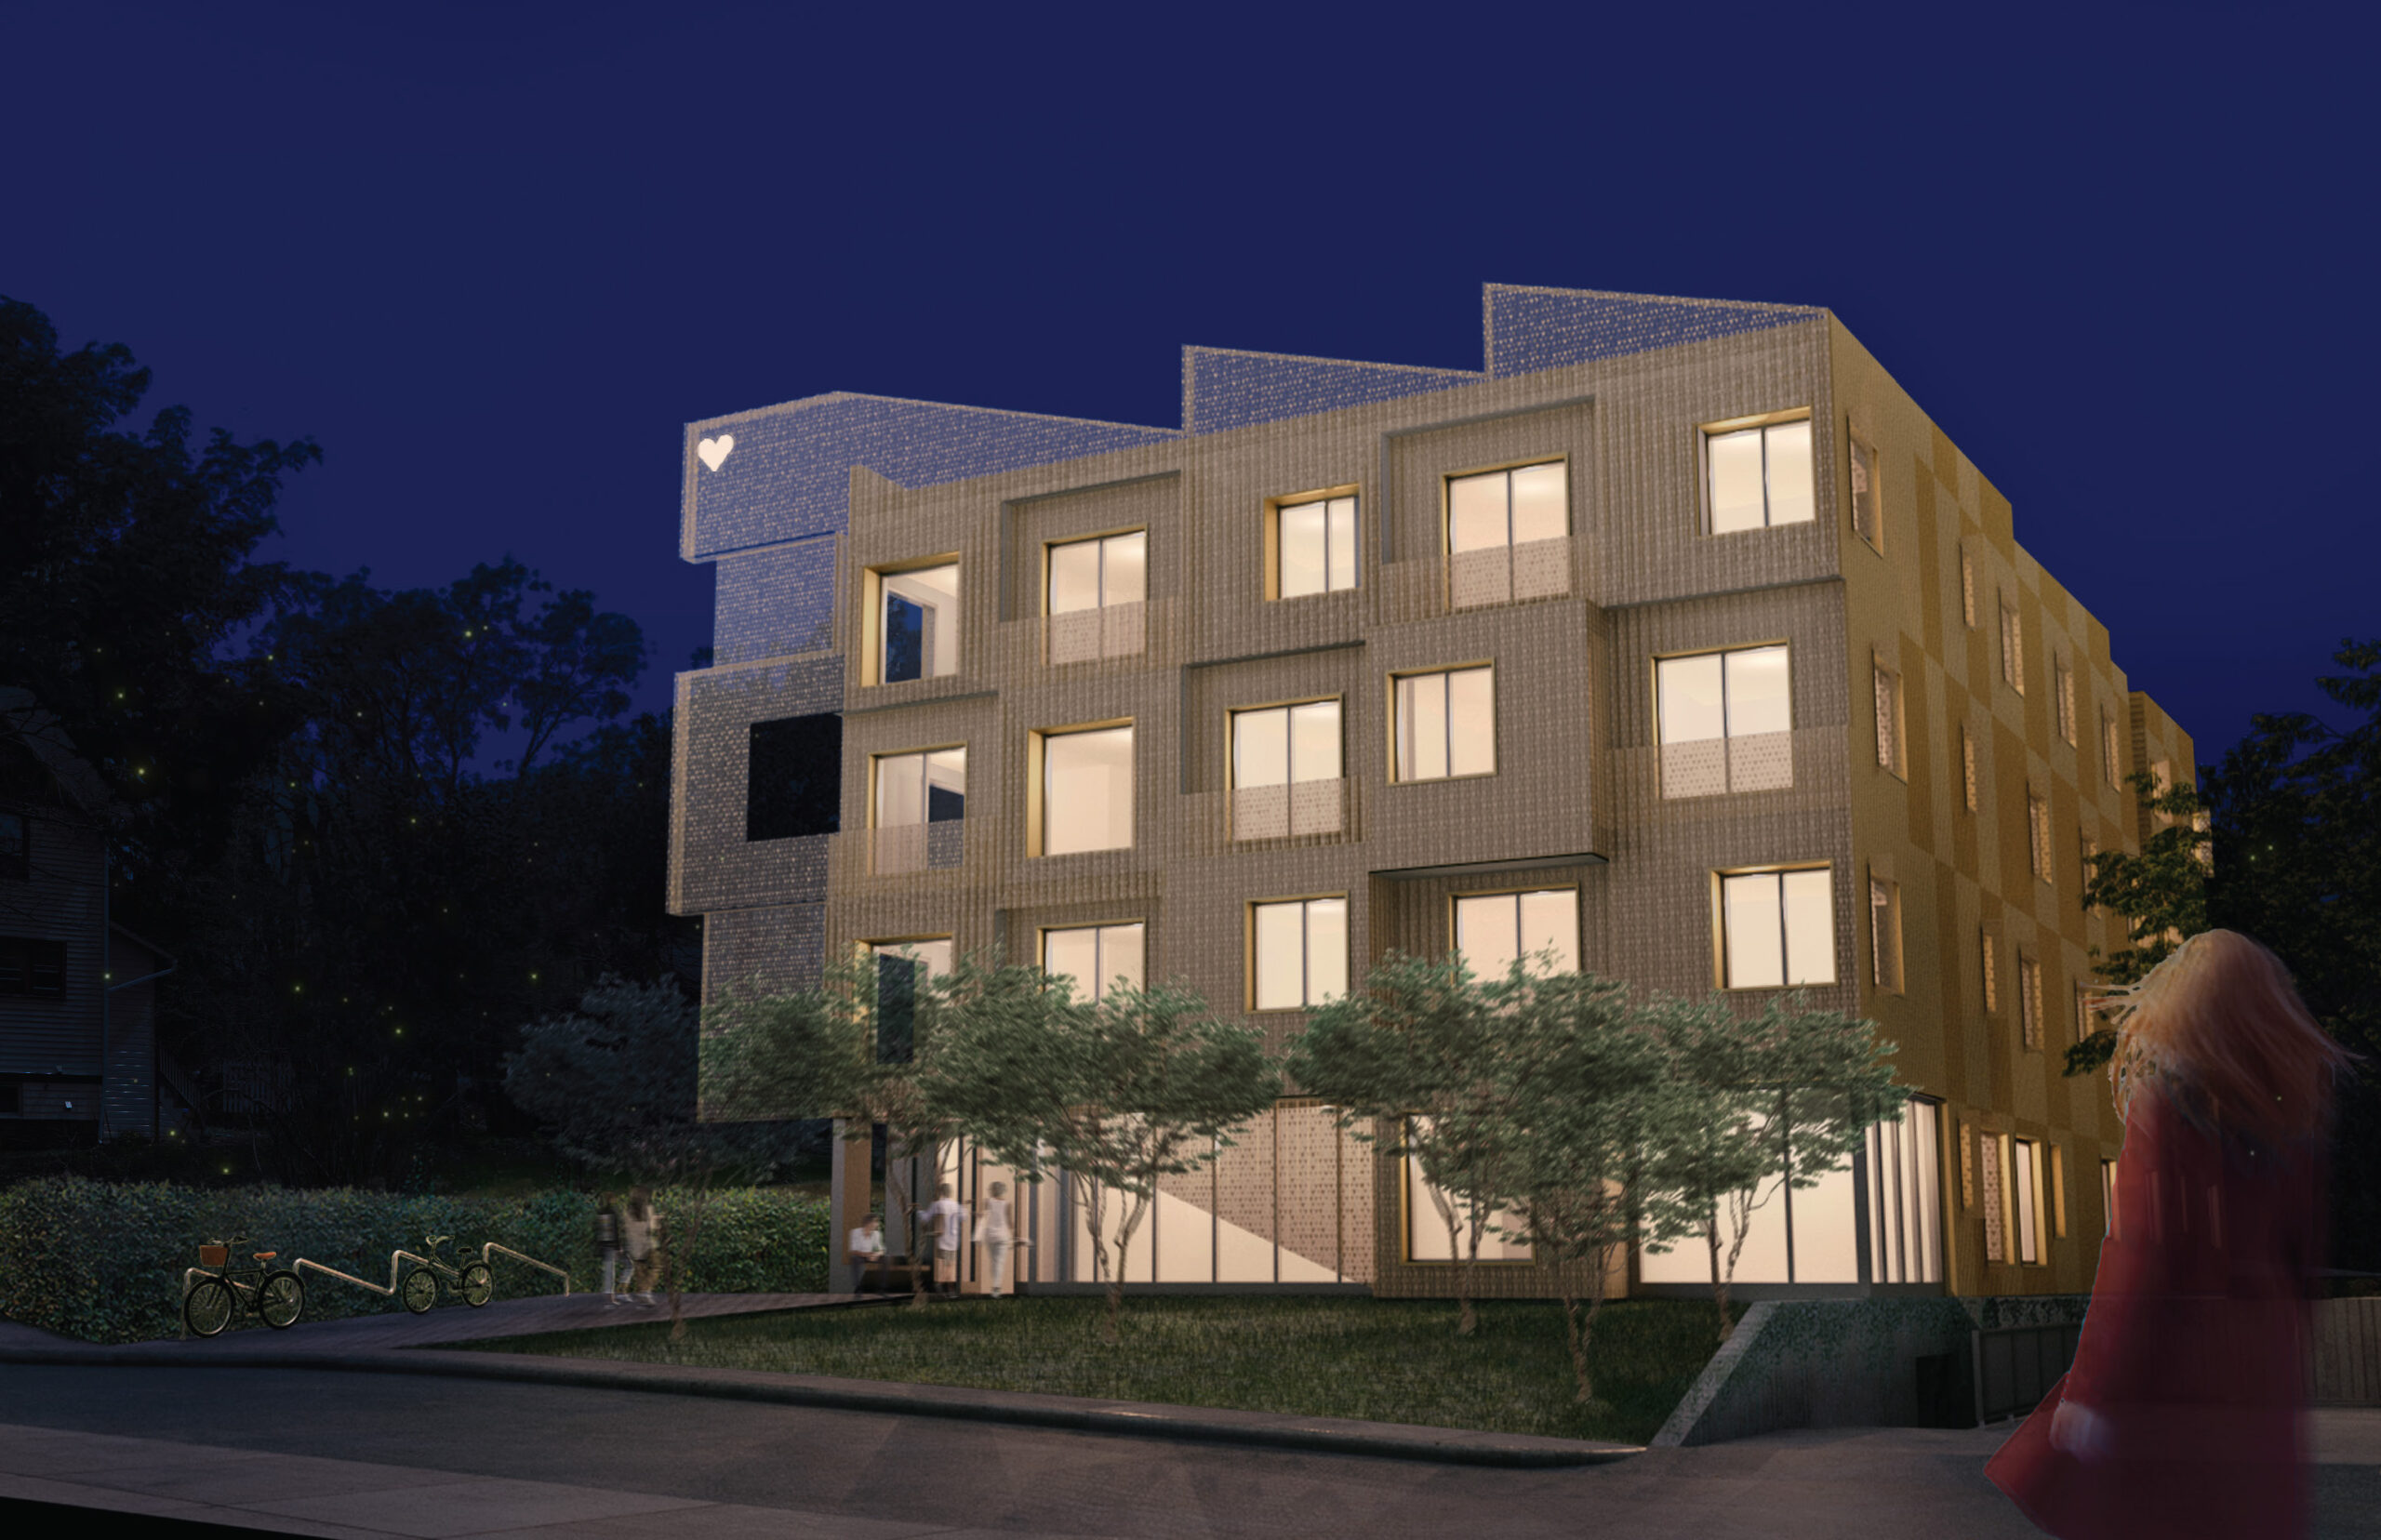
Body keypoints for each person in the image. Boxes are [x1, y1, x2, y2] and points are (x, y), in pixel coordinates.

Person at [1986, 930, 2351, 1540]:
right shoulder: (2296, 1120)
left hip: (2177, 1374)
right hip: (2260, 1378)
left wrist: (2092, 1393)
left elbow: (2137, 1255)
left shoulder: (2174, 1106)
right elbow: (2304, 1260)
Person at [922, 1182, 965, 1299]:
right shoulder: (956, 1205)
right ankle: (947, 1287)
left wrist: (917, 1211)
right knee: (949, 1265)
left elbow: (925, 1217)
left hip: (942, 1239)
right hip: (953, 1239)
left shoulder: (937, 1205)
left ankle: (942, 1284)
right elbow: (963, 1217)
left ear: (941, 1192)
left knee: (945, 1264)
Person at [974, 1180, 1016, 1299]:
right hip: (1002, 1235)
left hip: (990, 1235)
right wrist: (1014, 1235)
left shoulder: (987, 1202)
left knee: (994, 1261)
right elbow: (1009, 1221)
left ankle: (995, 1286)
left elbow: (983, 1217)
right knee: (1000, 1262)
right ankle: (996, 1287)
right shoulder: (1008, 1204)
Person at [622, 1186, 662, 1308]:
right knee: (656, 1266)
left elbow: (628, 1229)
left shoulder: (628, 1212)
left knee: (641, 1272)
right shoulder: (647, 1209)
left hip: (635, 1246)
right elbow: (650, 1228)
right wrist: (657, 1220)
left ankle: (645, 1296)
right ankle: (646, 1292)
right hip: (647, 1244)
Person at [594, 1193, 625, 1305]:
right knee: (610, 1271)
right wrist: (618, 1247)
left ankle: (610, 1295)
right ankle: (611, 1298)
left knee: (608, 1271)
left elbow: (600, 1231)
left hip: (604, 1245)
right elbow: (615, 1231)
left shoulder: (601, 1212)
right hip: (610, 1245)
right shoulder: (612, 1212)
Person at [847, 1212, 885, 1296]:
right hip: (860, 1255)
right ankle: (858, 1288)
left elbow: (882, 1250)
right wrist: (868, 1255)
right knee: (854, 1258)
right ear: (869, 1223)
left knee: (886, 1258)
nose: (877, 1224)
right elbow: (853, 1250)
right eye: (875, 1222)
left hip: (871, 1255)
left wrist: (876, 1255)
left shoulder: (877, 1234)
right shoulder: (855, 1232)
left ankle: (881, 1288)